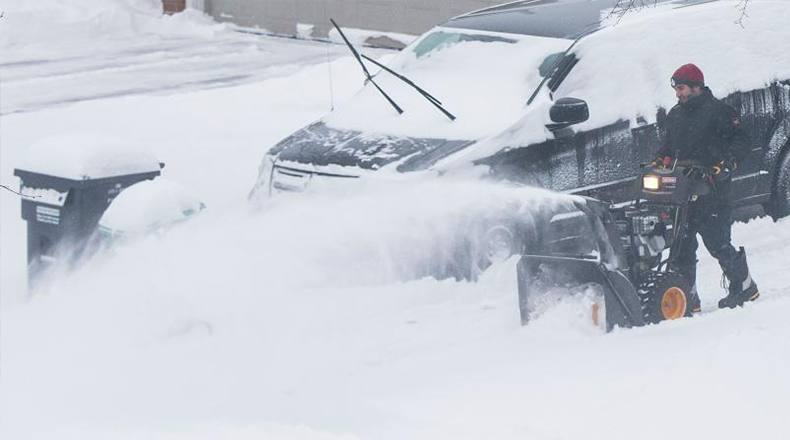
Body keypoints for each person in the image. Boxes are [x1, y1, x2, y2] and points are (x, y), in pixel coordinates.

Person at [655, 63, 759, 310]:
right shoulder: (675, 115)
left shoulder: (719, 112)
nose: (678, 94)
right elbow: (667, 147)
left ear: (696, 87)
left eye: (682, 88)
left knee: (717, 242)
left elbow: (742, 139)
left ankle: (744, 286)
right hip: (682, 188)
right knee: (682, 244)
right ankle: (689, 297)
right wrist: (658, 162)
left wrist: (727, 163)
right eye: (676, 90)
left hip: (712, 187)